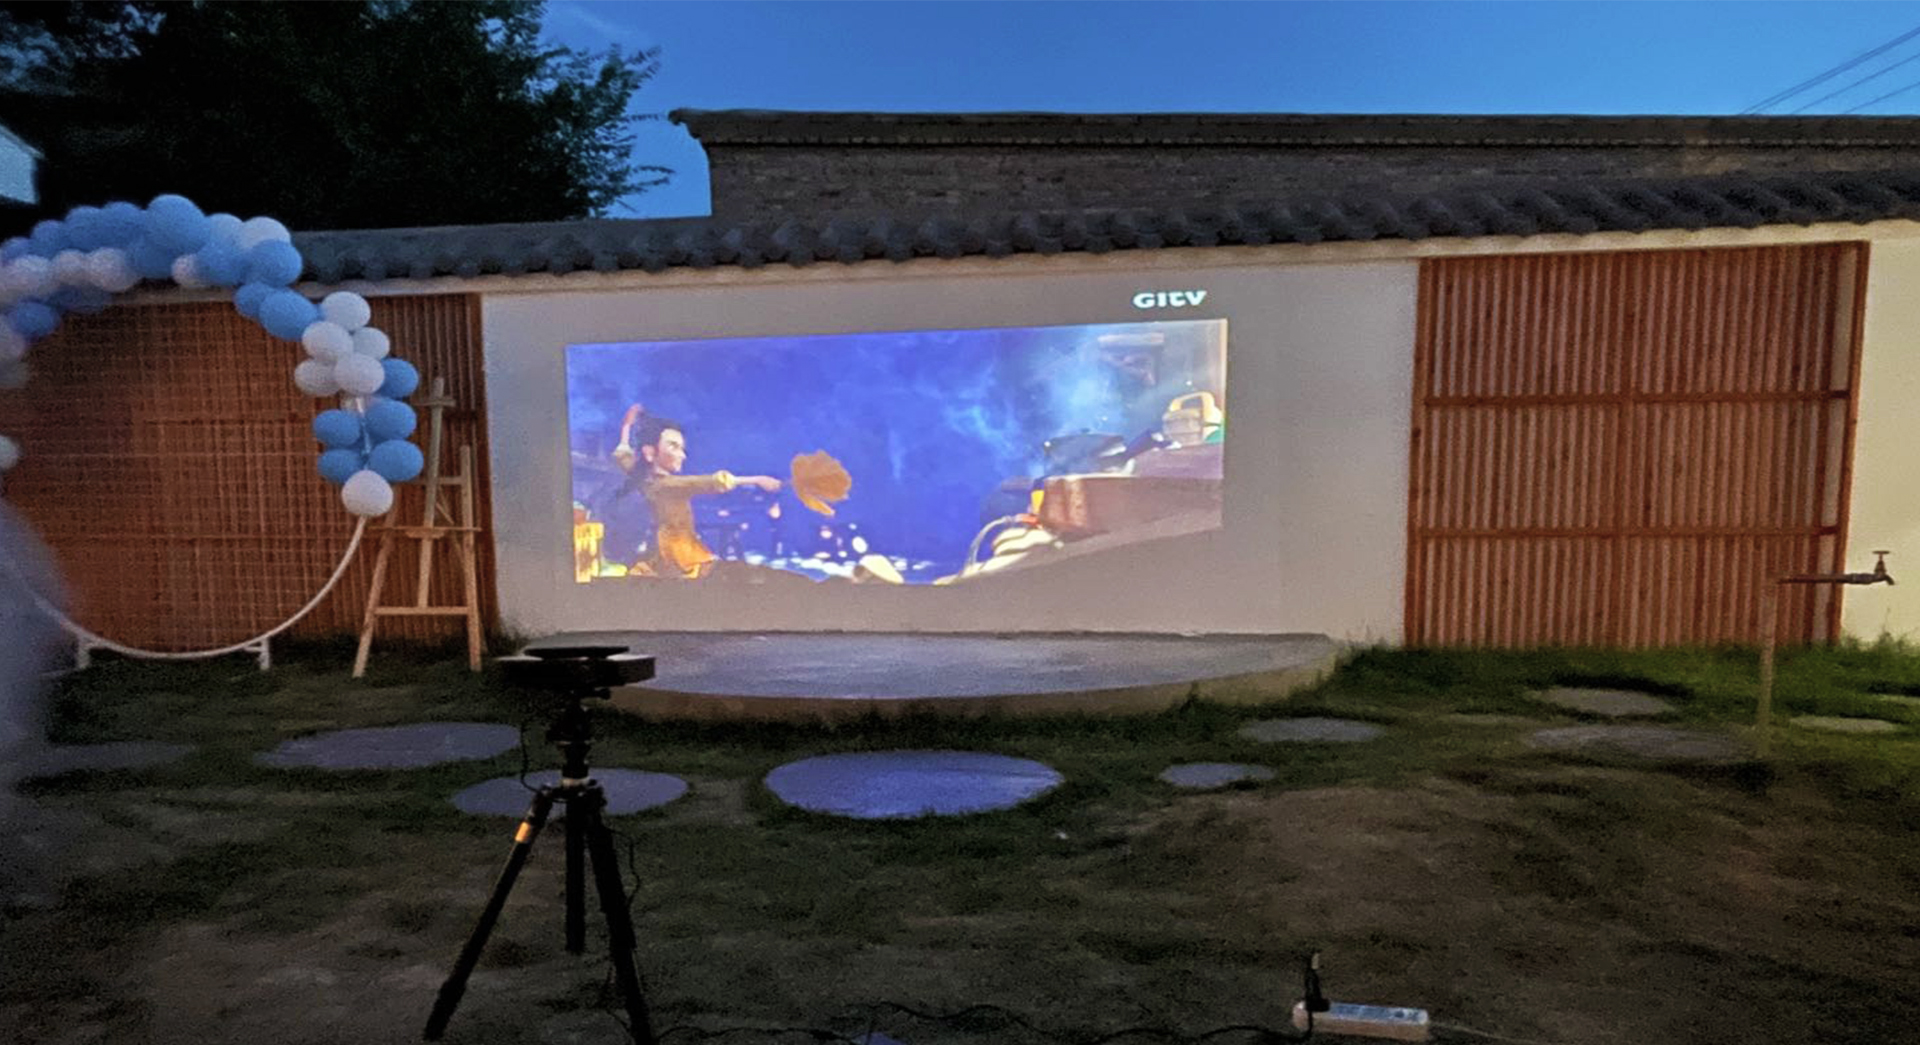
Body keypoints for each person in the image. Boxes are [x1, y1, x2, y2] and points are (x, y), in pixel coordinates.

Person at [612, 405, 781, 579]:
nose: (682, 455)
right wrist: (757, 479)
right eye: (673, 447)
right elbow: (711, 482)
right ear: (650, 452)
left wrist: (626, 426)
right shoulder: (667, 486)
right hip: (681, 557)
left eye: (681, 448)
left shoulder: (644, 479)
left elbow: (623, 456)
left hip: (670, 553)